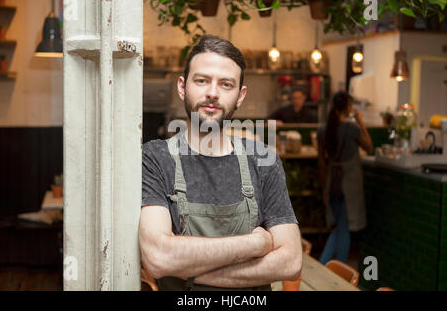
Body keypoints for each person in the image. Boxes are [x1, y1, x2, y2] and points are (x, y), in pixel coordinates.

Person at [139, 35, 302, 291]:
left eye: (226, 84)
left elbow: (291, 262)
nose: (213, 93)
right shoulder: (155, 158)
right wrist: (256, 245)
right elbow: (159, 258)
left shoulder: (263, 160)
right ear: (182, 87)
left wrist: (186, 271)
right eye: (202, 81)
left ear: (240, 95)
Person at [317, 91, 373, 265]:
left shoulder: (323, 131)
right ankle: (330, 266)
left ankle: (326, 265)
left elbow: (321, 162)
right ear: (348, 107)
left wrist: (324, 187)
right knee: (344, 228)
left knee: (340, 227)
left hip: (332, 183)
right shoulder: (351, 129)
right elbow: (369, 147)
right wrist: (361, 122)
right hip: (348, 185)